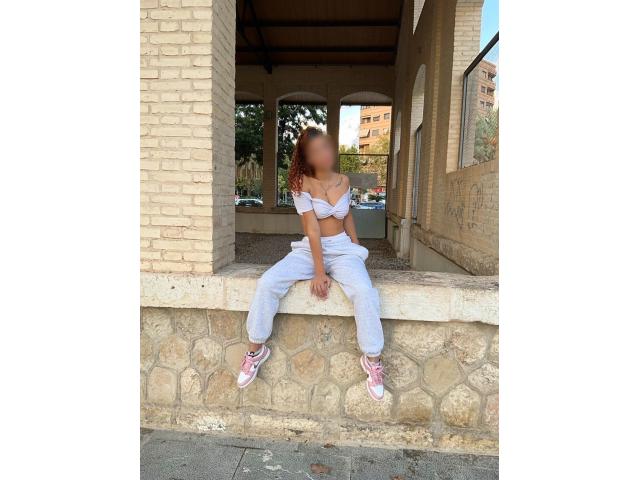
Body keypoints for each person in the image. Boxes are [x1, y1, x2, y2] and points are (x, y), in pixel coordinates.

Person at [236, 126, 385, 401]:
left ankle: (373, 359)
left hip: (343, 249)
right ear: (307, 157)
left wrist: (357, 249)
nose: (324, 154)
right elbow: (312, 229)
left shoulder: (343, 181)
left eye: (326, 147)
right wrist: (319, 272)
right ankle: (255, 350)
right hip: (310, 249)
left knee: (364, 291)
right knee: (268, 282)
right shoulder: (300, 184)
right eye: (316, 151)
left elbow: (347, 217)